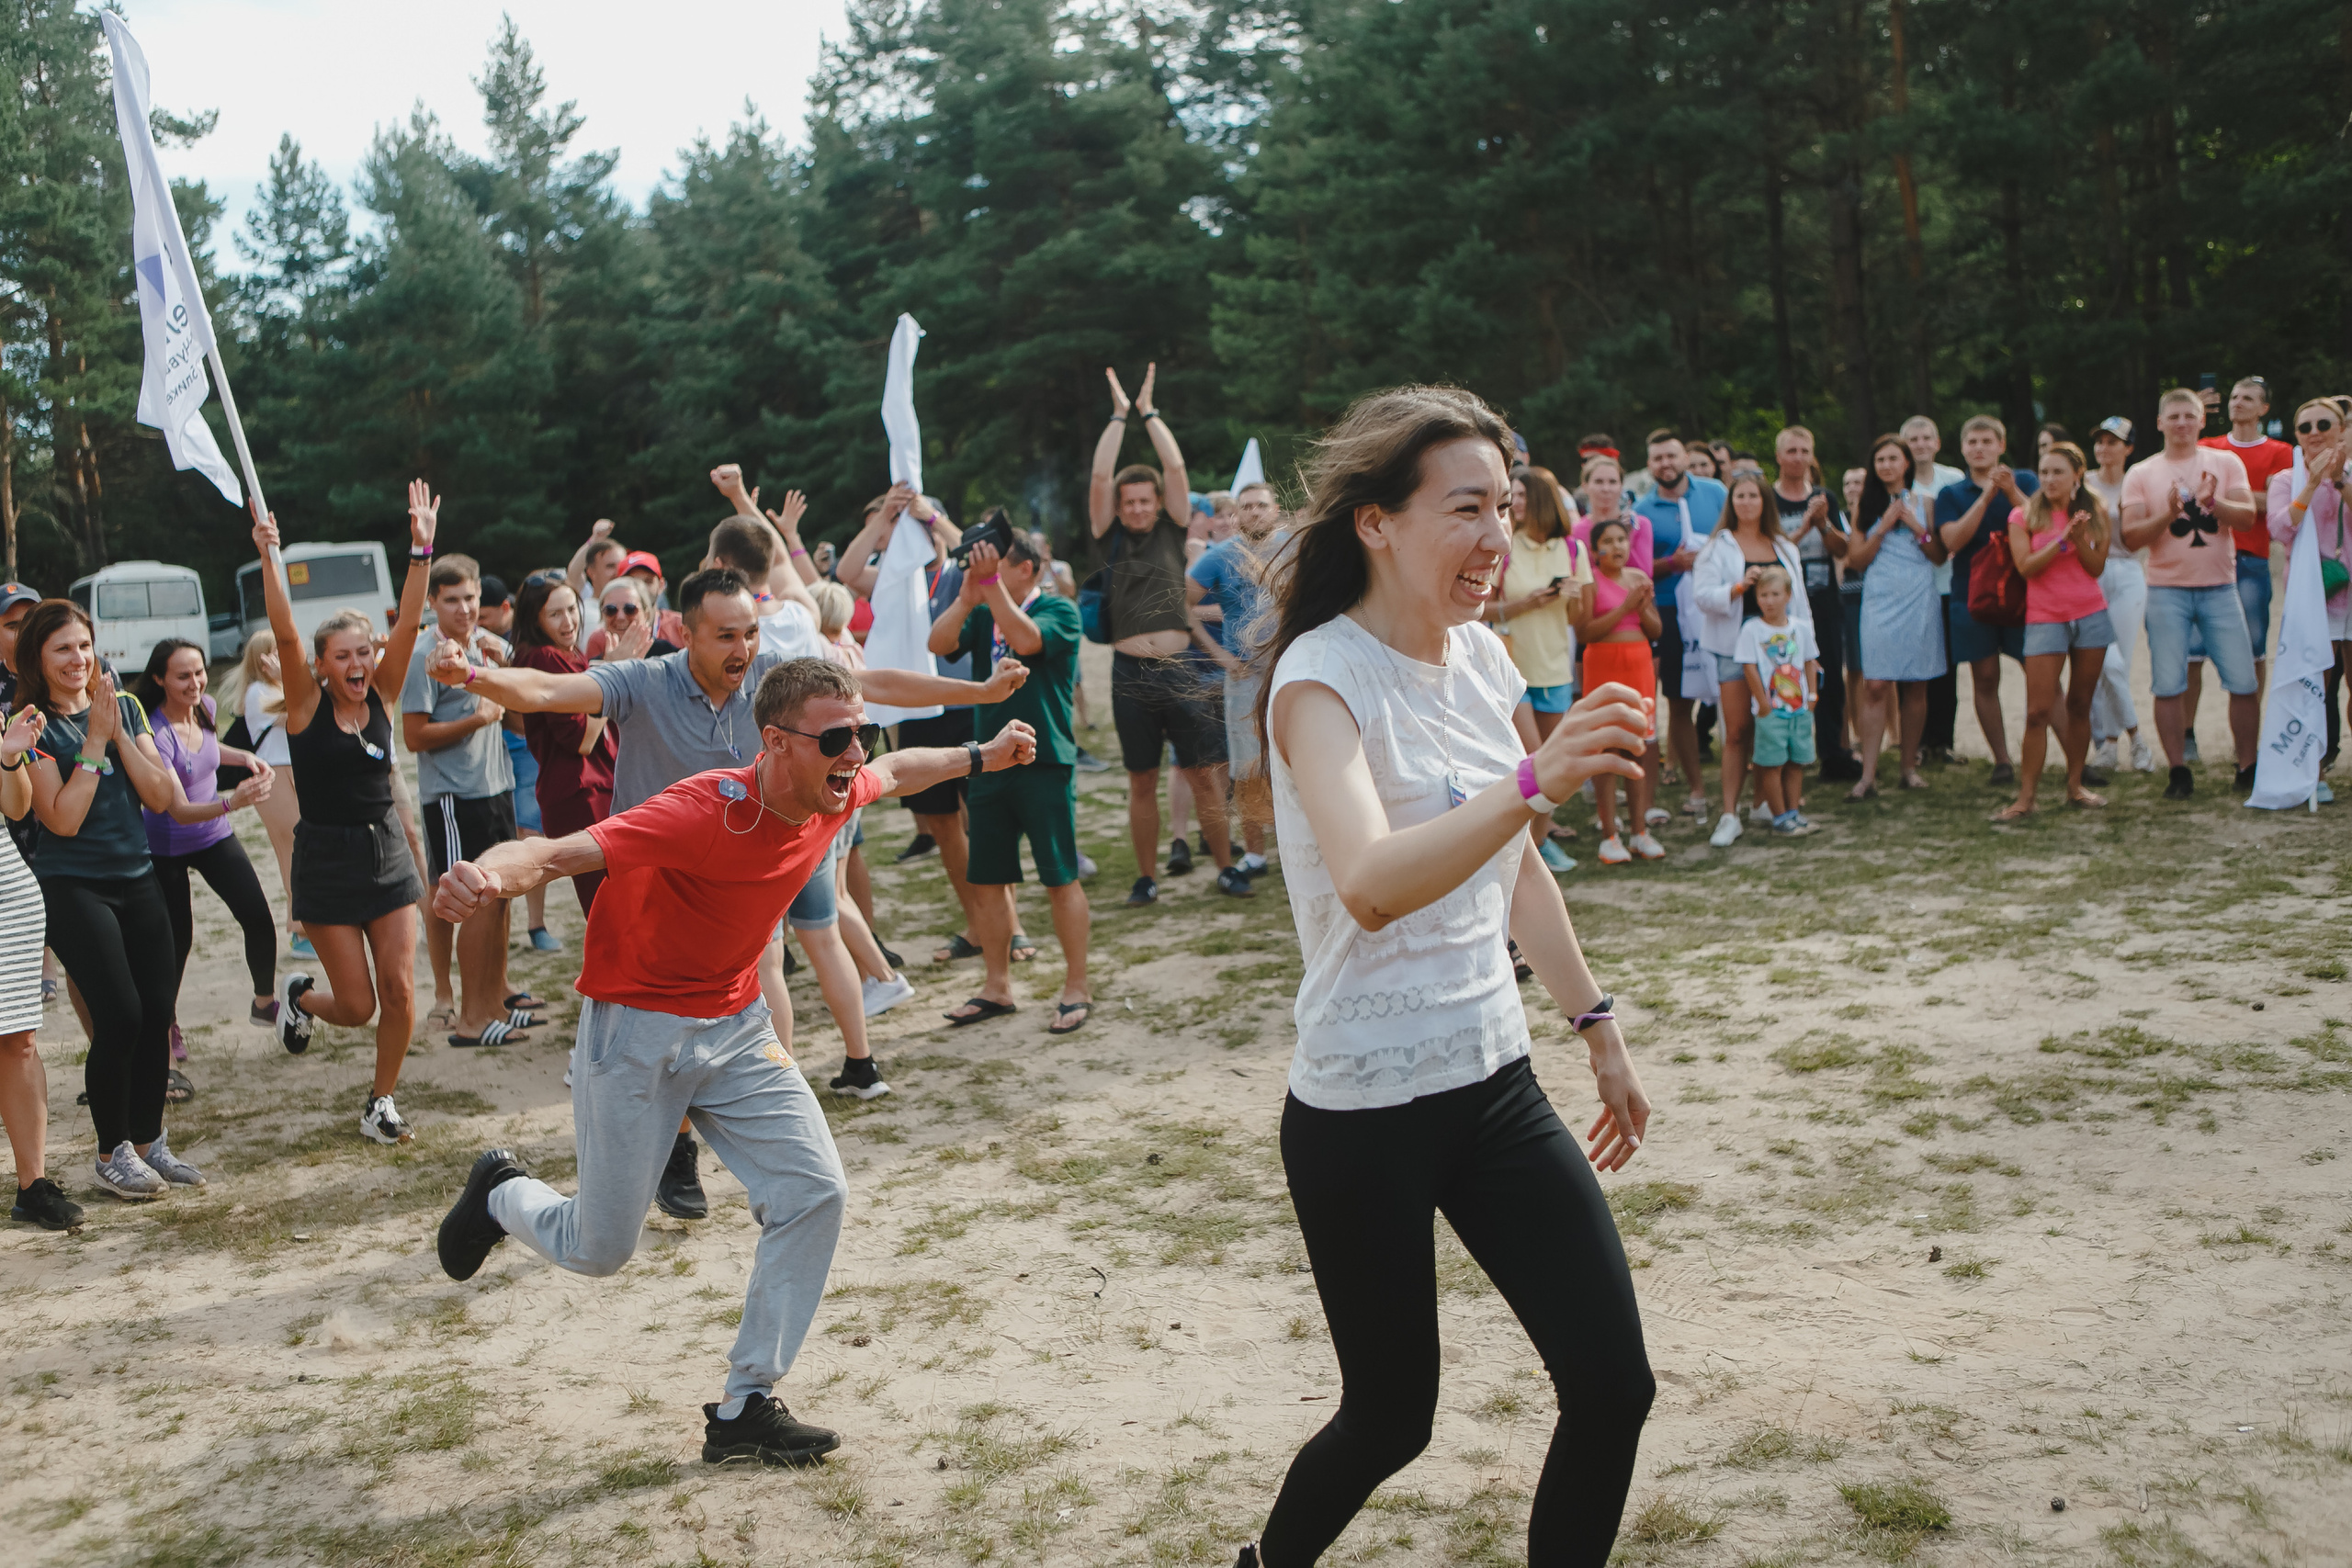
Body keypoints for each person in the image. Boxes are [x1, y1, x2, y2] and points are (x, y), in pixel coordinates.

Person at [1233, 385, 1653, 1568]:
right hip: (1362, 1106)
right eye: (1464, 508)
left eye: (1505, 509)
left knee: (1613, 1386)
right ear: (1375, 521)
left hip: (1491, 1081)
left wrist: (1597, 1026)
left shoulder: (1481, 663)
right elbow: (1368, 880)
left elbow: (1518, 875)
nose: (1492, 538)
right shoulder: (1320, 681)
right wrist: (1533, 784)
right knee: (1390, 1419)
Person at [432, 660, 1035, 1462]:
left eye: (861, 731)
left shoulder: (836, 786)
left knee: (815, 1188)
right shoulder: (699, 811)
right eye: (836, 737)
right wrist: (483, 876)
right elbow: (555, 853)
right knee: (597, 1248)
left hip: (737, 1024)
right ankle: (504, 1192)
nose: (855, 752)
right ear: (777, 742)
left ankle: (745, 1405)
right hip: (639, 1029)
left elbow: (896, 770)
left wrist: (982, 754)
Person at [425, 565, 1023, 1110]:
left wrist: (978, 694)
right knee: (647, 1008)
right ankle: (664, 1121)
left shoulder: (771, 679)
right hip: (651, 878)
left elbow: (875, 685)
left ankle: (773, 1095)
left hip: (738, 873)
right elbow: (549, 693)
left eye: (751, 633)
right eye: (727, 636)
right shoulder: (645, 679)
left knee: (765, 968)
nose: (744, 649)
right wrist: (475, 675)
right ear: (687, 634)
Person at [18, 599, 236, 1194]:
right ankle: (111, 1150)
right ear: (38, 656)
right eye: (63, 647)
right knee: (119, 1015)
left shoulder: (127, 705)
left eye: (84, 645)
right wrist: (94, 741)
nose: (78, 658)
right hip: (72, 885)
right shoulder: (28, 721)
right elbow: (61, 817)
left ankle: (149, 1141)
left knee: (157, 1012)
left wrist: (118, 733)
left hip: (138, 875)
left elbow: (162, 793)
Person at [259, 486, 437, 1145]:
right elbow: (282, 630)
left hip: (385, 850)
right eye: (345, 656)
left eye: (365, 651)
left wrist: (421, 549)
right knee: (357, 1005)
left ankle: (380, 1101)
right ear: (323, 666)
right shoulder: (305, 707)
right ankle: (301, 997)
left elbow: (410, 626)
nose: (360, 663)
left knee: (397, 989)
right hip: (328, 858)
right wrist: (270, 557)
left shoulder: (384, 692)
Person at [1087, 363, 1251, 905]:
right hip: (1129, 671)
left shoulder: (1172, 527)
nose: (1136, 508)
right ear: (1119, 505)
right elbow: (1097, 477)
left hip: (1180, 669)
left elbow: (1175, 465)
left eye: (1144, 500)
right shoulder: (1107, 535)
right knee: (1141, 780)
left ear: (1156, 503)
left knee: (1205, 774)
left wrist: (1150, 413)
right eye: (1128, 501)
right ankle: (1145, 877)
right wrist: (1117, 417)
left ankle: (1227, 867)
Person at [930, 530, 1092, 1033]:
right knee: (988, 880)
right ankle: (996, 986)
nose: (990, 576)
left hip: (1045, 762)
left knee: (1059, 876)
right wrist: (965, 596)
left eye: (999, 566)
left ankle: (1076, 986)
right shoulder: (984, 609)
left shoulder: (1060, 611)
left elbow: (1026, 639)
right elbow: (938, 643)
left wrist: (987, 586)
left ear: (1030, 569)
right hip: (989, 761)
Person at [401, 554, 539, 1050]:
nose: (464, 609)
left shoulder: (480, 647)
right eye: (453, 600)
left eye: (471, 599)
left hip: (495, 785)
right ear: (434, 602)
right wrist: (478, 719)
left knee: (500, 897)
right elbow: (414, 735)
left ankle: (494, 1001)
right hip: (455, 797)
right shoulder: (427, 653)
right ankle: (470, 1018)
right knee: (475, 901)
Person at [133, 639, 280, 1044]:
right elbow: (177, 810)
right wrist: (234, 802)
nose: (196, 683)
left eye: (199, 672)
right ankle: (165, 1024)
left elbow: (209, 750)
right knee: (177, 941)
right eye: (183, 676)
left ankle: (265, 1003)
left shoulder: (206, 708)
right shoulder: (156, 734)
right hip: (166, 845)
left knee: (257, 916)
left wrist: (246, 758)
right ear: (160, 679)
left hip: (213, 837)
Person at [2121, 389, 2260, 799]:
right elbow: (2130, 538)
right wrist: (2167, 513)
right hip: (2167, 591)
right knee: (2168, 684)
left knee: (2243, 681)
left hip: (2219, 586)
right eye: (2174, 416)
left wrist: (2213, 502)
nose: (2181, 423)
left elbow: (2249, 519)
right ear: (2160, 423)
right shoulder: (2142, 473)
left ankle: (2248, 766)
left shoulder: (2225, 462)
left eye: (2189, 416)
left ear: (2202, 422)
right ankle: (2178, 770)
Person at [1995, 443, 2114, 820]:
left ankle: (2075, 786)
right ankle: (2026, 797)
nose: (2048, 479)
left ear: (2077, 476)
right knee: (2038, 711)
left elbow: (2096, 569)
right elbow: (2026, 567)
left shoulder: (2097, 511)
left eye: (2057, 472)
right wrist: (2062, 541)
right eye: (2044, 472)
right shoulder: (2023, 514)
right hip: (2045, 618)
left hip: (2091, 615)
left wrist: (2078, 541)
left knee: (2080, 706)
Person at [1691, 472, 1810, 847]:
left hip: (1782, 655)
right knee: (1737, 730)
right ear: (1731, 503)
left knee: (1772, 729)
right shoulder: (1717, 547)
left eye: (1753, 496)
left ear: (1765, 502)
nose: (1746, 502)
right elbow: (1703, 596)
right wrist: (1738, 588)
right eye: (1739, 496)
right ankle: (1729, 814)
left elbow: (1801, 601)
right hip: (1734, 649)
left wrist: (1811, 652)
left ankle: (1764, 803)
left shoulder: (1784, 546)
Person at [3, 701, 81, 1229]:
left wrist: (9, 761)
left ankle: (32, 1185)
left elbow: (16, 808)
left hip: (7, 895)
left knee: (20, 1040)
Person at [1488, 466, 1590, 871]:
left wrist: (1571, 595)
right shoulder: (1505, 546)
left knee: (1555, 765)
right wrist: (1525, 604)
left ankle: (1538, 841)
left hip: (1555, 670)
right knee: (1535, 760)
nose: (1515, 503)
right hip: (1513, 669)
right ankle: (1525, 850)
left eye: (1522, 495)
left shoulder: (1572, 550)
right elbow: (1479, 610)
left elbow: (1578, 619)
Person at [1933, 416, 2040, 787]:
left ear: (2001, 445)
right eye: (1972, 442)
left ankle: (2064, 753)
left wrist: (2010, 493)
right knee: (1985, 677)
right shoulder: (1951, 494)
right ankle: (2002, 760)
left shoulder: (2025, 481)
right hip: (1972, 596)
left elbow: (2042, 523)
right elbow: (1952, 542)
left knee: (2040, 674)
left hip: (2023, 594)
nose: (1979, 448)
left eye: (1986, 441)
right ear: (1962, 449)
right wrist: (1985, 497)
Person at [1189, 481, 1283, 876]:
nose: (1254, 512)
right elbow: (1183, 605)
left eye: (1262, 505)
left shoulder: (1294, 549)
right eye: (1246, 507)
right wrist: (1219, 655)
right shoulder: (1219, 557)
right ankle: (1256, 854)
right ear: (1236, 515)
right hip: (1244, 675)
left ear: (1275, 509)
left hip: (1292, 670)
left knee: (1302, 757)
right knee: (1248, 767)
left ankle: (1311, 847)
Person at [1632, 429, 1727, 820]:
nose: (1665, 464)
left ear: (1685, 457)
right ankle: (1697, 789)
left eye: (1671, 456)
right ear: (1650, 464)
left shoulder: (1716, 493)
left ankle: (1744, 787)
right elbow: (1634, 570)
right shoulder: (1640, 510)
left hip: (1719, 605)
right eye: (1657, 458)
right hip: (1670, 611)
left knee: (1733, 695)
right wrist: (1672, 563)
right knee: (1680, 699)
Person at [1846, 434, 1949, 797]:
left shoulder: (1928, 503)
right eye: (1880, 460)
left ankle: (1909, 767)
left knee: (1916, 683)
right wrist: (1883, 525)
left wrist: (1918, 528)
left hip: (1918, 595)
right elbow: (1856, 560)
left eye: (1893, 459)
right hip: (1880, 596)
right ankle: (1868, 775)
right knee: (1875, 683)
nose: (1886, 466)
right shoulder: (1865, 505)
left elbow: (1938, 555)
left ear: (1906, 463)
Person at [509, 571, 615, 915]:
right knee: (610, 914)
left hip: (589, 791)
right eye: (555, 613)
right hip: (580, 795)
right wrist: (612, 677)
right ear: (535, 618)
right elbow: (581, 739)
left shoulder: (564, 653)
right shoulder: (545, 657)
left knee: (619, 910)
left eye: (572, 608)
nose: (568, 620)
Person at [2196, 377, 2296, 715]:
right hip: (2203, 556)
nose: (2238, 402)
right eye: (2235, 396)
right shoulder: (2207, 445)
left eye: (2248, 398)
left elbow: (2278, 502)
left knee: (2254, 650)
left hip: (2251, 558)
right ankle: (2188, 733)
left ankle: (2249, 731)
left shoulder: (2280, 452)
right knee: (2192, 654)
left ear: (2263, 408)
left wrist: (2219, 498)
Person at [2269, 398, 2352, 784]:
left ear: (2340, 428)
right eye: (2305, 427)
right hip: (2313, 595)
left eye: (2324, 424)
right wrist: (2312, 483)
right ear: (2296, 435)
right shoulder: (2287, 480)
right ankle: (2313, 770)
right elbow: (2281, 528)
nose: (2315, 432)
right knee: (2315, 687)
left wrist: (2338, 481)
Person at [1576, 516, 1664, 864]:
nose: (1616, 547)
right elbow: (1585, 632)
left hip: (1638, 664)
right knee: (1607, 750)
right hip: (1604, 667)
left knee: (1637, 748)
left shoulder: (1639, 579)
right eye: (1608, 541)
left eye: (1622, 540)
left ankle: (1640, 831)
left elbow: (1656, 630)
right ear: (1595, 550)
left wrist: (1641, 609)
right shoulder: (1591, 582)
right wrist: (1625, 608)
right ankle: (1609, 835)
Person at [479, 577, 559, 954]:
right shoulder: (482, 643)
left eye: (482, 614)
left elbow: (523, 717)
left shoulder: (526, 647)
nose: (474, 620)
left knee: (529, 832)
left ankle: (536, 924)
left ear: (506, 610)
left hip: (523, 748)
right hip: (492, 754)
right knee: (500, 835)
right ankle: (501, 922)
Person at [1771, 426, 1856, 779]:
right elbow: (1771, 549)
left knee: (1831, 677)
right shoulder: (1767, 499)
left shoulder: (1825, 497)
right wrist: (1806, 525)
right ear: (1778, 456)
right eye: (1791, 451)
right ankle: (1785, 752)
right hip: (1781, 605)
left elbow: (1842, 549)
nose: (1799, 458)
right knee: (1784, 675)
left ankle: (1833, 753)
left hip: (1824, 599)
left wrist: (1823, 525)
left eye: (1805, 451)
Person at [235, 628, 311, 957]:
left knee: (307, 846)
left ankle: (312, 924)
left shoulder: (283, 686)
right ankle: (300, 931)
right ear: (262, 660)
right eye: (277, 651)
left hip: (296, 770)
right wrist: (288, 679)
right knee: (292, 849)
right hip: (273, 774)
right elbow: (298, 713)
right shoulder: (257, 692)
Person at [2085, 417, 2154, 773]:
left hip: (2127, 571)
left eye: (2113, 441)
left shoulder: (2138, 482)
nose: (2104, 448)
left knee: (2118, 662)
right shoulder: (2084, 482)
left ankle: (2109, 745)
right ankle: (2134, 739)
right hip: (2090, 574)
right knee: (2104, 662)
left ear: (2128, 448)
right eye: (2100, 441)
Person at [1901, 416, 1968, 763]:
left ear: (1938, 442)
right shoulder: (1896, 482)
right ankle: (1915, 742)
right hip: (1909, 590)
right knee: (1914, 669)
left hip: (1948, 585)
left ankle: (1942, 741)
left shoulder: (1953, 480)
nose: (1921, 443)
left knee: (1947, 668)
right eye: (1913, 438)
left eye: (1927, 437)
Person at [1736, 566, 1820, 834]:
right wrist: (1762, 704)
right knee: (1772, 763)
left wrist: (1811, 696)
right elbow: (1749, 668)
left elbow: (1810, 662)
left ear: (1788, 596)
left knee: (1797, 762)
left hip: (1799, 709)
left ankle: (1794, 811)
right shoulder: (1752, 630)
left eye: (1775, 594)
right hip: (1771, 711)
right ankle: (1779, 816)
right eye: (1763, 595)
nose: (1769, 601)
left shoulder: (1801, 629)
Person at [564, 523, 629, 653]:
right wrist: (594, 540)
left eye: (621, 565)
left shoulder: (633, 609)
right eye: (610, 566)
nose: (617, 572)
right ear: (591, 572)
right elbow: (573, 572)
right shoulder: (583, 599)